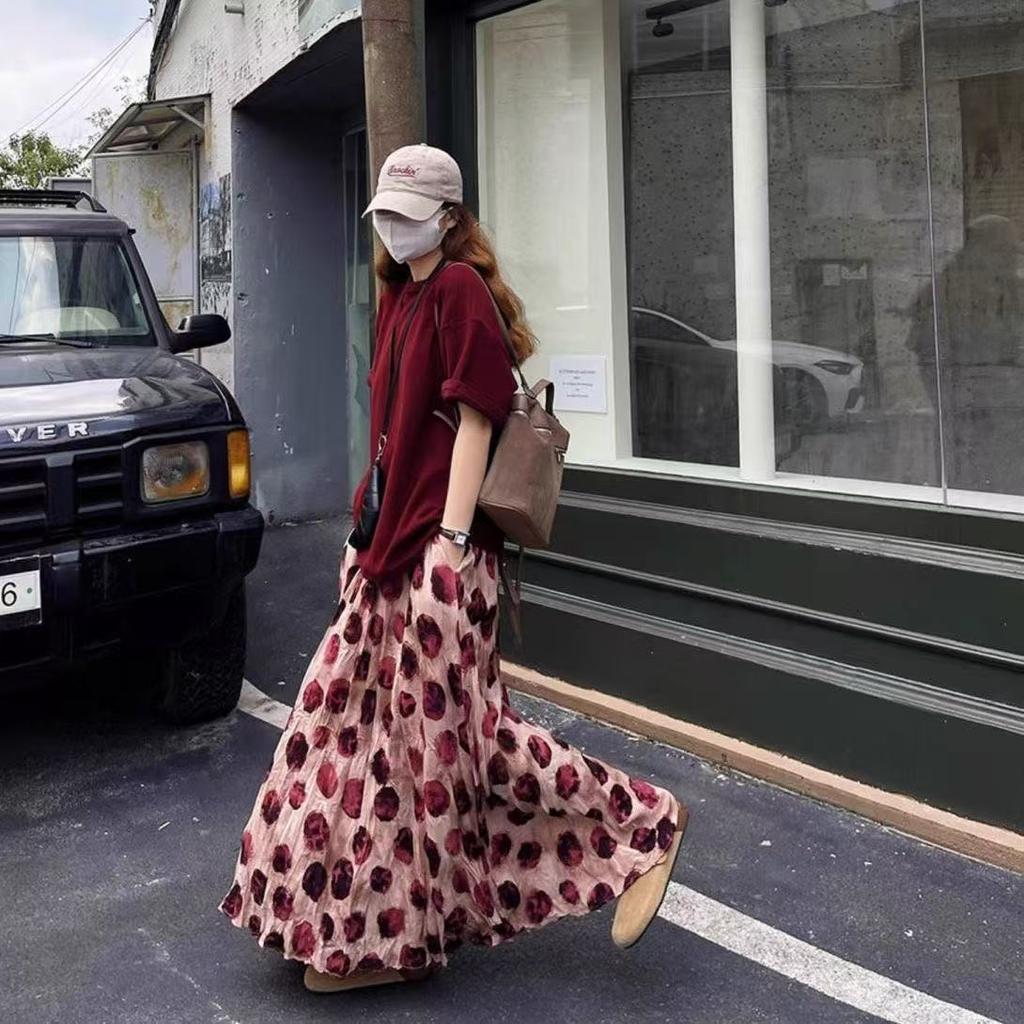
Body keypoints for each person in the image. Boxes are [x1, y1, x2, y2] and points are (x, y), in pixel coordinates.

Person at [219, 143, 688, 993]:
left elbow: (475, 421)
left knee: (461, 742)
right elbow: (391, 439)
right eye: (385, 216)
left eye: (408, 215)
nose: (393, 230)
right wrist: (361, 537)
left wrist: (451, 543)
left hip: (441, 558)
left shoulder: (459, 292)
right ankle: (365, 929)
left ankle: (644, 824)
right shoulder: (401, 298)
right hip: (389, 552)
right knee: (351, 736)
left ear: (447, 216)